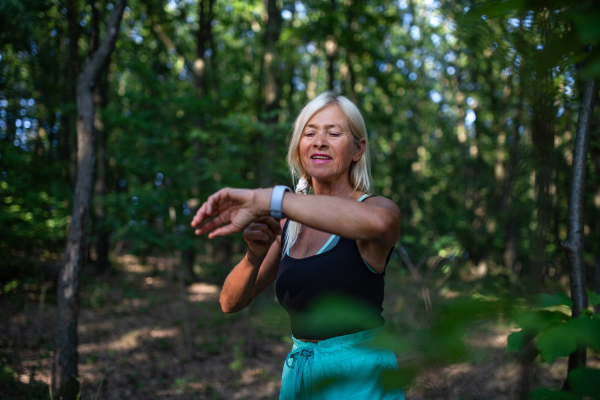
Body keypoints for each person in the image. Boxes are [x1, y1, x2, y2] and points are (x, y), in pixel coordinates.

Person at [191, 91, 404, 399]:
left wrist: (270, 199)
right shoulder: (287, 225)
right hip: (301, 375)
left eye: (333, 133)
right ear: (299, 148)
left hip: (360, 377)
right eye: (310, 133)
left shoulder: (377, 208)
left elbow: (381, 225)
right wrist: (253, 256)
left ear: (357, 149)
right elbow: (229, 302)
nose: (319, 141)